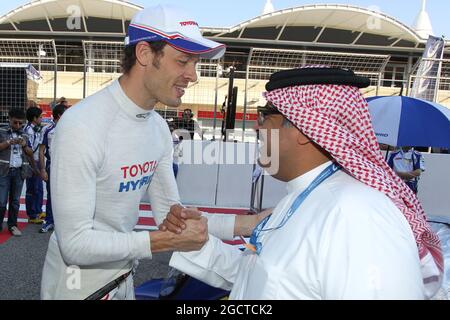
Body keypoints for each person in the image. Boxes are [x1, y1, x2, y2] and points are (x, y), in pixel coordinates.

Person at [40, 5, 267, 300]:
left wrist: (248, 223)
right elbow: (75, 244)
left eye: (195, 64)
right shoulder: (82, 125)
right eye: (183, 61)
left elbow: (171, 217)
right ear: (145, 54)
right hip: (74, 288)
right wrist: (158, 241)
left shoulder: (158, 128)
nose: (193, 76)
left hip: (123, 280)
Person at [168, 67, 443, 300]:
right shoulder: (303, 196)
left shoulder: (357, 216)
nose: (257, 128)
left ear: (302, 128)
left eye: (266, 116)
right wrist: (196, 242)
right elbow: (261, 276)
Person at [0, 108, 35, 236]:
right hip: (4, 171)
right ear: (9, 119)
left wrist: (25, 145)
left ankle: (13, 226)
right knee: (1, 202)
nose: (18, 125)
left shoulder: (25, 134)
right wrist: (9, 142)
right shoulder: (2, 131)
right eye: (15, 122)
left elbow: (31, 153)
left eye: (21, 123)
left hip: (19, 172)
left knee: (15, 201)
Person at [38, 104, 66, 233]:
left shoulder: (71, 129)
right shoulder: (47, 129)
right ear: (60, 115)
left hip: (68, 166)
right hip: (52, 166)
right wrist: (43, 170)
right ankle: (49, 221)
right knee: (51, 194)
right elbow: (41, 150)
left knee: (67, 195)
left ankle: (64, 223)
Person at [23, 107, 45, 224]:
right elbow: (29, 150)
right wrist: (34, 166)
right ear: (34, 118)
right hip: (31, 162)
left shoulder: (36, 129)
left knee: (39, 188)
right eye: (40, 117)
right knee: (32, 188)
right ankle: (32, 214)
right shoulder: (28, 130)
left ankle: (38, 210)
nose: (42, 119)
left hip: (37, 160)